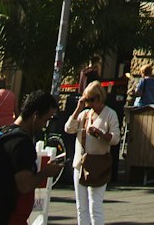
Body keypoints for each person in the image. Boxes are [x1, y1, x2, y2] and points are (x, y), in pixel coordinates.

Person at [0, 89, 62, 225]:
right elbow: (25, 185)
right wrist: (46, 172)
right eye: (46, 119)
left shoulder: (4, 131)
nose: (45, 126)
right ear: (35, 116)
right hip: (8, 217)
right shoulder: (22, 143)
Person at [64, 78, 120, 225]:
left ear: (100, 97)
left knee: (95, 207)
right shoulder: (85, 114)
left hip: (99, 164)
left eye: (92, 99)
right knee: (81, 207)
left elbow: (115, 139)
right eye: (86, 99)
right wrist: (78, 109)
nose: (89, 103)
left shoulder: (110, 114)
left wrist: (100, 133)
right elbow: (68, 129)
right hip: (80, 164)